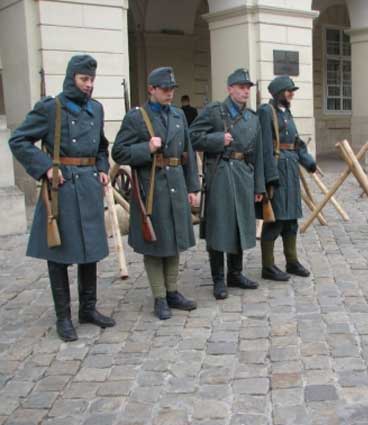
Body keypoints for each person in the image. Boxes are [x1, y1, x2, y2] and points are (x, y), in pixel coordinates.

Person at [9, 54, 115, 341]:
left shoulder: (96, 109)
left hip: (89, 186)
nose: (89, 85)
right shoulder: (51, 108)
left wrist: (103, 168)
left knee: (90, 249)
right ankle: (63, 317)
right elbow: (18, 140)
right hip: (61, 190)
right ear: (72, 78)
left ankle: (88, 309)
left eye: (92, 80)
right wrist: (45, 169)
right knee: (59, 253)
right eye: (84, 79)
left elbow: (102, 147)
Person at [112, 67, 200, 320]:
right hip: (151, 189)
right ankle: (159, 297)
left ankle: (172, 291)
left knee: (174, 241)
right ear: (151, 89)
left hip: (176, 184)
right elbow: (119, 152)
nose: (169, 93)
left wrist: (192, 186)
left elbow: (188, 154)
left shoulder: (178, 115)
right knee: (155, 244)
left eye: (172, 89)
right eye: (164, 89)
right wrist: (146, 148)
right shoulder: (136, 118)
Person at [189, 68, 265, 300]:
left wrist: (259, 186)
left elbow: (259, 154)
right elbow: (191, 137)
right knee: (219, 226)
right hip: (220, 174)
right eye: (240, 87)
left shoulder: (253, 118)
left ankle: (236, 273)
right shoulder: (214, 111)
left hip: (244, 175)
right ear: (229, 88)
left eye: (247, 88)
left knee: (240, 223)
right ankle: (219, 279)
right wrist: (217, 140)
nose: (245, 91)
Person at [258, 75, 316, 281]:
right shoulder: (267, 112)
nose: (292, 94)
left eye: (292, 90)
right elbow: (264, 146)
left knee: (291, 220)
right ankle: (268, 266)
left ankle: (292, 261)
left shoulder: (287, 113)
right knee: (275, 220)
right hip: (277, 169)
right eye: (288, 90)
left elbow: (296, 142)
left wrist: (308, 161)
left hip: (291, 170)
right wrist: (269, 176)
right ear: (278, 92)